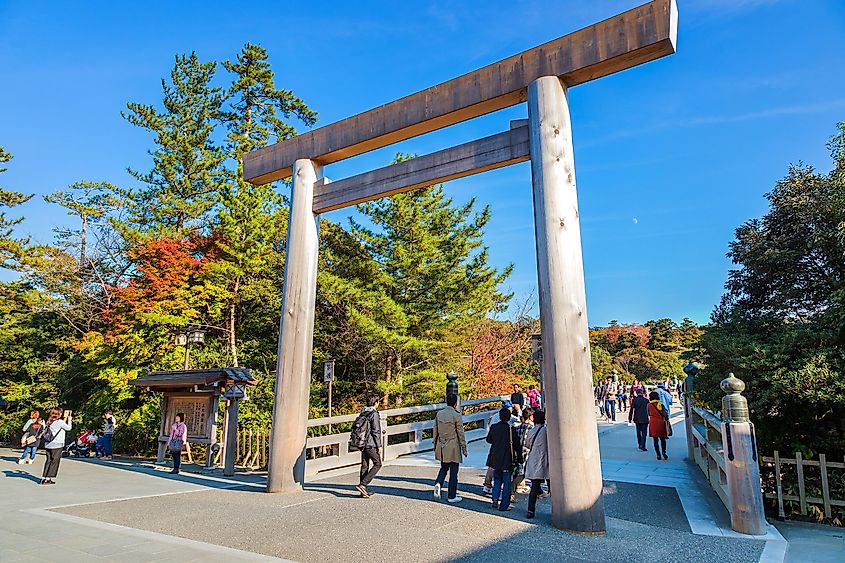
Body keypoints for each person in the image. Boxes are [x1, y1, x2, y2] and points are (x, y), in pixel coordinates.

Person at [432, 393, 468, 503]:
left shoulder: (439, 414)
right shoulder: (456, 415)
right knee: (453, 471)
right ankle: (451, 496)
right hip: (453, 445)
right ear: (455, 402)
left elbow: (435, 431)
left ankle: (438, 483)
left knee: (444, 468)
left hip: (442, 444)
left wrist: (435, 445)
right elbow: (460, 433)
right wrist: (464, 448)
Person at [485, 407, 522, 512]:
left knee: (497, 479)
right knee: (507, 482)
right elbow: (517, 446)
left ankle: (495, 499)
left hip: (495, 458)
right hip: (507, 458)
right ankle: (504, 505)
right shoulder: (511, 430)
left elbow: (488, 440)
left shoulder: (494, 427)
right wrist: (520, 459)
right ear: (509, 417)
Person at [483, 400, 518, 493]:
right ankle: (506, 493)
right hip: (506, 449)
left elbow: (489, 437)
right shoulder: (511, 419)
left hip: (495, 448)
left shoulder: (494, 418)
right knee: (505, 473)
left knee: (493, 467)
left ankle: (488, 485)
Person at [355, 392, 383, 498]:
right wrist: (379, 446)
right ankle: (363, 485)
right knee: (378, 464)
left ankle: (363, 491)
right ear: (376, 402)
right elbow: (376, 431)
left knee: (365, 466)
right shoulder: (374, 414)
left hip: (362, 443)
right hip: (371, 444)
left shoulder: (363, 412)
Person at [524, 409, 549, 519]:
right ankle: (558, 510)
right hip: (548, 459)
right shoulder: (547, 430)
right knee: (552, 485)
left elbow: (527, 445)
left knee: (534, 486)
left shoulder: (531, 431)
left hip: (535, 459)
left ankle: (530, 510)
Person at [41, 407, 72, 485]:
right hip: (57, 444)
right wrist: (69, 420)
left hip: (48, 444)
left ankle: (44, 477)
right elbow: (68, 428)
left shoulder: (49, 421)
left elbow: (59, 427)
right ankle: (48, 478)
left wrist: (64, 419)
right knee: (55, 461)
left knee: (48, 461)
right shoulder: (60, 422)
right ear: (59, 414)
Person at [513, 408, 534, 494]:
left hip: (518, 451)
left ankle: (518, 486)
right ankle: (514, 487)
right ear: (530, 416)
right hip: (527, 451)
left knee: (519, 470)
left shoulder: (518, 427)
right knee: (524, 472)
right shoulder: (531, 427)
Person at [648, 391, 669, 460]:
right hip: (661, 422)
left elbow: (648, 413)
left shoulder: (649, 405)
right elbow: (665, 414)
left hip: (653, 422)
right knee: (662, 439)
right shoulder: (660, 404)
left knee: (655, 439)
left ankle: (658, 454)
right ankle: (664, 452)